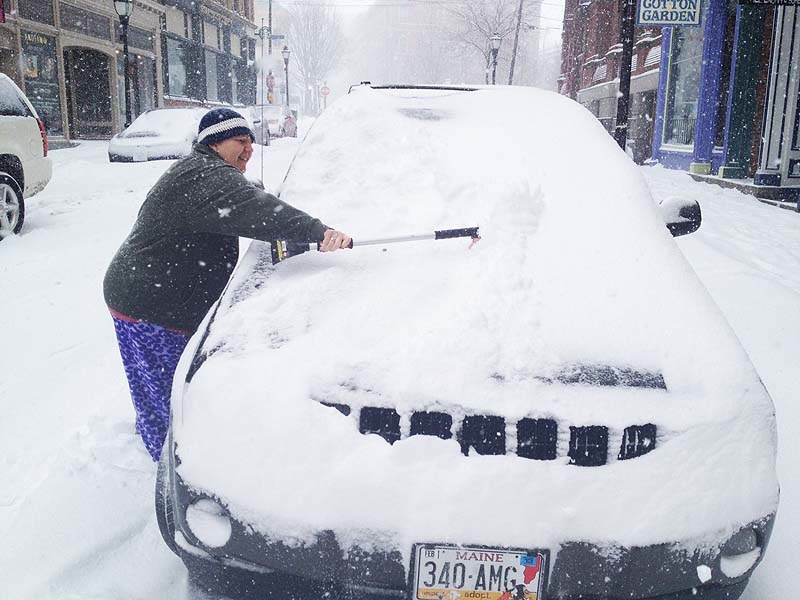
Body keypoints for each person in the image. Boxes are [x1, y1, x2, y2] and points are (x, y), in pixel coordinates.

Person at [103, 107, 350, 461]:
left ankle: (162, 441)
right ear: (215, 144)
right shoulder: (207, 176)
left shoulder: (203, 172)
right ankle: (171, 465)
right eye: (240, 141)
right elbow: (260, 211)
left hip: (143, 293)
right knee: (173, 397)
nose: (249, 149)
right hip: (150, 304)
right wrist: (319, 232)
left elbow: (242, 202)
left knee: (158, 389)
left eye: (251, 141)